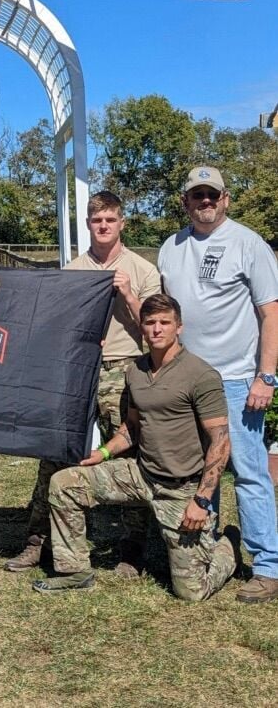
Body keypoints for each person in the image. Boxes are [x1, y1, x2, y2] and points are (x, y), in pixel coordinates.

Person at [32, 294, 239, 600]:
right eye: (150, 322)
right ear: (141, 327)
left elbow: (220, 441)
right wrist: (102, 453)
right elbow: (131, 428)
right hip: (142, 475)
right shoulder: (136, 371)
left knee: (192, 592)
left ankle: (230, 544)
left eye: (164, 322)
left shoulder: (200, 374)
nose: (157, 329)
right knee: (64, 483)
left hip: (181, 489)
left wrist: (203, 499)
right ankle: (74, 571)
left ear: (179, 327)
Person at [5, 191, 161, 576]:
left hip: (123, 368)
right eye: (96, 221)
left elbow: (157, 329)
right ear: (88, 225)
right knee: (54, 448)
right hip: (76, 368)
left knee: (125, 454)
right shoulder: (73, 270)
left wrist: (125, 292)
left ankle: (131, 548)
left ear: (122, 223)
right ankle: (37, 541)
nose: (104, 226)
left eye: (110, 219)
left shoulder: (142, 270)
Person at [158, 166, 278, 604]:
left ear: (226, 198)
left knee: (248, 471)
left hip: (236, 378)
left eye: (212, 195)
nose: (205, 202)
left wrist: (266, 377)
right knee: (197, 468)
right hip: (187, 377)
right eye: (197, 196)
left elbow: (271, 314)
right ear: (185, 201)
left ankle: (267, 565)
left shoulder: (249, 244)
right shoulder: (170, 247)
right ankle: (204, 549)